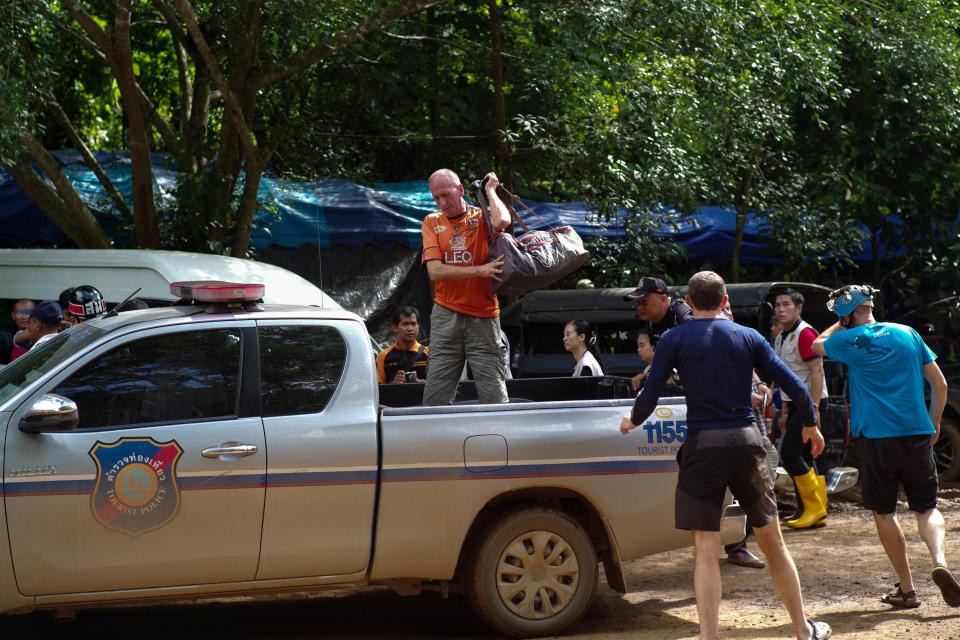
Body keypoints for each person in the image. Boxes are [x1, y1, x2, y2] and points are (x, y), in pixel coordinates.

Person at [620, 271, 830, 640]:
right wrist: (811, 423)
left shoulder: (673, 338)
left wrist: (631, 420)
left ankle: (709, 636)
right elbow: (796, 386)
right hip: (746, 443)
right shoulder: (748, 336)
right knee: (773, 541)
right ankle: (801, 630)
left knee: (705, 547)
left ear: (689, 299)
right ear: (723, 300)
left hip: (704, 446)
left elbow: (650, 395)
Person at [813, 285, 960, 609]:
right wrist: (934, 419)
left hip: (877, 439)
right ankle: (940, 561)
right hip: (916, 433)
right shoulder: (908, 333)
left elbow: (815, 343)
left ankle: (907, 590)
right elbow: (940, 383)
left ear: (848, 315)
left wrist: (841, 320)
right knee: (927, 508)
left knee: (884, 512)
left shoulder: (847, 340)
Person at [420, 169, 511, 405]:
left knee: (493, 392)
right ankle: (437, 441)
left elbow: (502, 221)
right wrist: (479, 270)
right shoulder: (432, 222)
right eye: (436, 197)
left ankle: (498, 438)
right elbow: (435, 271)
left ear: (460, 190)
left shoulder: (481, 217)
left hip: (484, 315)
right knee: (435, 395)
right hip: (445, 314)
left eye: (446, 195)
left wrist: (490, 190)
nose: (441, 202)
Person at [773, 288, 830, 529]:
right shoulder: (781, 336)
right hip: (795, 404)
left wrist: (814, 408)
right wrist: (785, 411)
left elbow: (818, 371)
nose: (781, 309)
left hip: (810, 403)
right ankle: (812, 510)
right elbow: (785, 378)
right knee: (806, 455)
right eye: (777, 305)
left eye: (786, 305)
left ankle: (814, 509)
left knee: (789, 453)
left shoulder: (805, 333)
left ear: (798, 308)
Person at [624, 276, 692, 390]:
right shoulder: (652, 324)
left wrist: (676, 378)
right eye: (637, 302)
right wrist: (647, 376)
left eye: (644, 301)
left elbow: (701, 358)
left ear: (664, 299)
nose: (639, 307)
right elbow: (663, 362)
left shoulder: (684, 317)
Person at [376, 306, 429, 384]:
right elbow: (376, 389)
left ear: (418, 326)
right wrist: (393, 384)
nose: (410, 328)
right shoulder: (383, 356)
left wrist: (422, 383)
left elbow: (439, 385)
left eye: (413, 324)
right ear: (395, 327)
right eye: (405, 324)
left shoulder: (429, 354)